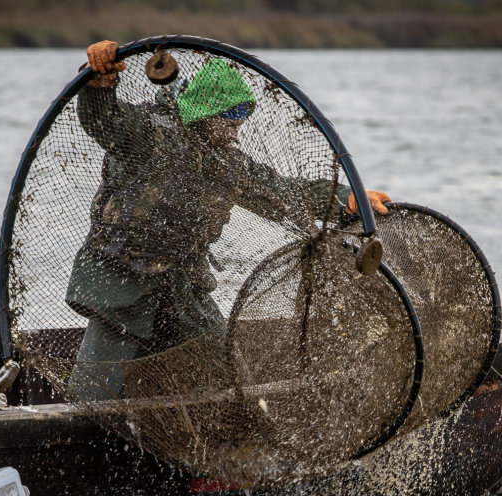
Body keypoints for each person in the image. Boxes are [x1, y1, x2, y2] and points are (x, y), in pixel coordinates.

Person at [65, 40, 391, 399]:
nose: (237, 129)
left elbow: (280, 191)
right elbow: (102, 120)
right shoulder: (147, 132)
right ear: (204, 112)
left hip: (180, 288)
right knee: (91, 394)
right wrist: (99, 83)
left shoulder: (228, 164)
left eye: (242, 118)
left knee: (231, 378)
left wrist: (346, 197)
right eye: (230, 117)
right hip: (122, 282)